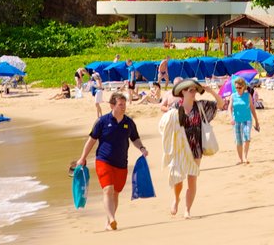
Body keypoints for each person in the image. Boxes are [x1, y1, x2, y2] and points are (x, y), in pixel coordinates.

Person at [76, 92, 148, 231]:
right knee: (108, 189)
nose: (123, 107)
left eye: (124, 104)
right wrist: (83, 157)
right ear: (112, 105)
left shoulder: (129, 122)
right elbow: (91, 140)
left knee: (115, 192)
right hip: (103, 160)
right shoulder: (102, 121)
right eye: (120, 105)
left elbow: (135, 138)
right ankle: (112, 219)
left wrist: (142, 148)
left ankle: (109, 221)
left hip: (121, 163)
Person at [159, 78, 221, 219]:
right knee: (178, 178)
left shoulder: (200, 106)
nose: (194, 93)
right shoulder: (175, 108)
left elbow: (221, 104)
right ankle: (176, 198)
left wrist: (211, 91)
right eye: (191, 90)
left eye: (195, 90)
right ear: (183, 92)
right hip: (180, 147)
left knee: (192, 179)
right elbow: (165, 125)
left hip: (196, 147)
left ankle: (187, 210)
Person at [229, 77, 260, 164]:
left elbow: (252, 108)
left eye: (239, 87)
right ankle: (240, 159)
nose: (238, 89)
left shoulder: (248, 96)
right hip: (236, 121)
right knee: (238, 140)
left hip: (247, 120)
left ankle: (245, 157)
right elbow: (229, 108)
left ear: (243, 87)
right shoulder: (233, 96)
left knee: (246, 138)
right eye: (236, 87)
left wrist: (256, 121)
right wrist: (231, 118)